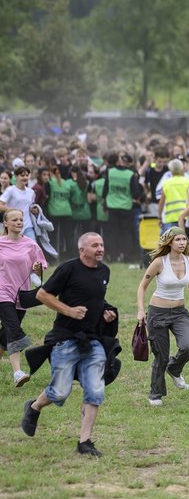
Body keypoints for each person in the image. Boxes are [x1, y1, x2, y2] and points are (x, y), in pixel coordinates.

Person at [21, 233, 117, 457]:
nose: (100, 248)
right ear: (82, 250)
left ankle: (85, 442)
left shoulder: (105, 271)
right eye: (94, 245)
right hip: (65, 339)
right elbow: (43, 294)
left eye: (102, 244)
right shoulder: (69, 269)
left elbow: (96, 299)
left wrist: (105, 313)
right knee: (60, 393)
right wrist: (69, 311)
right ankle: (34, 406)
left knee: (95, 391)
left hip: (92, 341)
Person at [136, 227, 189, 406]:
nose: (182, 243)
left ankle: (174, 369)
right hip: (158, 313)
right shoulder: (159, 262)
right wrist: (141, 310)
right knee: (161, 356)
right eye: (178, 239)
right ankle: (155, 394)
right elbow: (142, 286)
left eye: (184, 239)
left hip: (179, 312)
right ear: (169, 242)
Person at [0, 209, 47, 386]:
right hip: (2, 292)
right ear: (6, 223)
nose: (19, 222)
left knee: (6, 334)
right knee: (13, 329)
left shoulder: (30, 244)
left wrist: (37, 268)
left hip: (22, 295)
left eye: (20, 219)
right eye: (14, 220)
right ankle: (17, 373)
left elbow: (41, 265)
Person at [0, 166, 37, 241]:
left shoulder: (31, 192)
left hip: (27, 225)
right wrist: (13, 211)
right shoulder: (10, 190)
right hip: (12, 226)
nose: (25, 177)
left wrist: (34, 210)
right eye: (22, 175)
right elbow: (0, 205)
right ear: (16, 176)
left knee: (32, 246)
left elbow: (30, 206)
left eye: (27, 175)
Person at [158, 159, 189, 235]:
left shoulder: (166, 183)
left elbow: (161, 202)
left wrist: (159, 217)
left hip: (170, 217)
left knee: (170, 243)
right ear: (182, 168)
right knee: (184, 243)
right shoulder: (187, 181)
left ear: (170, 170)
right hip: (186, 216)